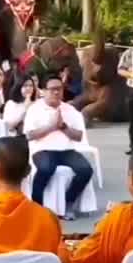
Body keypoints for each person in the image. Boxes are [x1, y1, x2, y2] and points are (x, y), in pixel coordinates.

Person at [24, 76, 93, 216]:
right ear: (43, 91)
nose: (56, 92)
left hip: (66, 150)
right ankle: (36, 205)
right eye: (52, 89)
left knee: (86, 170)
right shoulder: (35, 109)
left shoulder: (69, 109)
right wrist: (51, 126)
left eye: (59, 89)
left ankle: (69, 202)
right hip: (43, 149)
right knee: (46, 168)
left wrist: (63, 127)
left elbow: (78, 136)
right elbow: (30, 135)